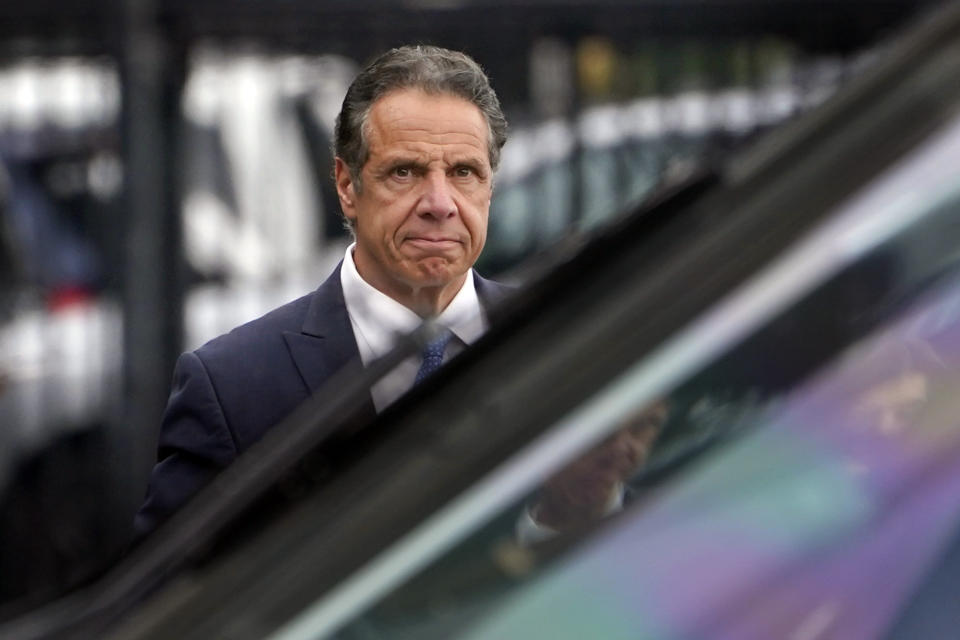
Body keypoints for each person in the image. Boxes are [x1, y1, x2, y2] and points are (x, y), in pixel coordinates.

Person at [134, 45, 511, 537]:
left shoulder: (566, 333)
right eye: (405, 172)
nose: (440, 204)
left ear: (490, 186)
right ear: (346, 186)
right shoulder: (231, 388)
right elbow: (170, 596)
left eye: (464, 172)